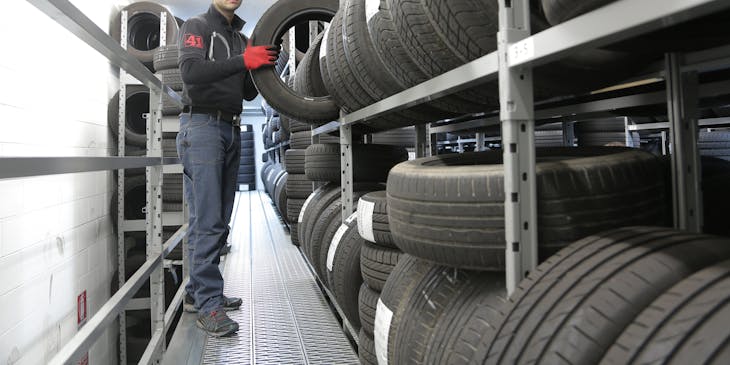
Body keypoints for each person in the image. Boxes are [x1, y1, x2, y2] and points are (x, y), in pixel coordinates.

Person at [176, 0, 279, 337]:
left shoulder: (241, 37)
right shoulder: (197, 26)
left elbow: (248, 93)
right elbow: (190, 73)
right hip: (202, 126)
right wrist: (242, 61)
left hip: (230, 129)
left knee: (216, 220)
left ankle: (199, 294)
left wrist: (261, 67)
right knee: (208, 221)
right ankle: (209, 306)